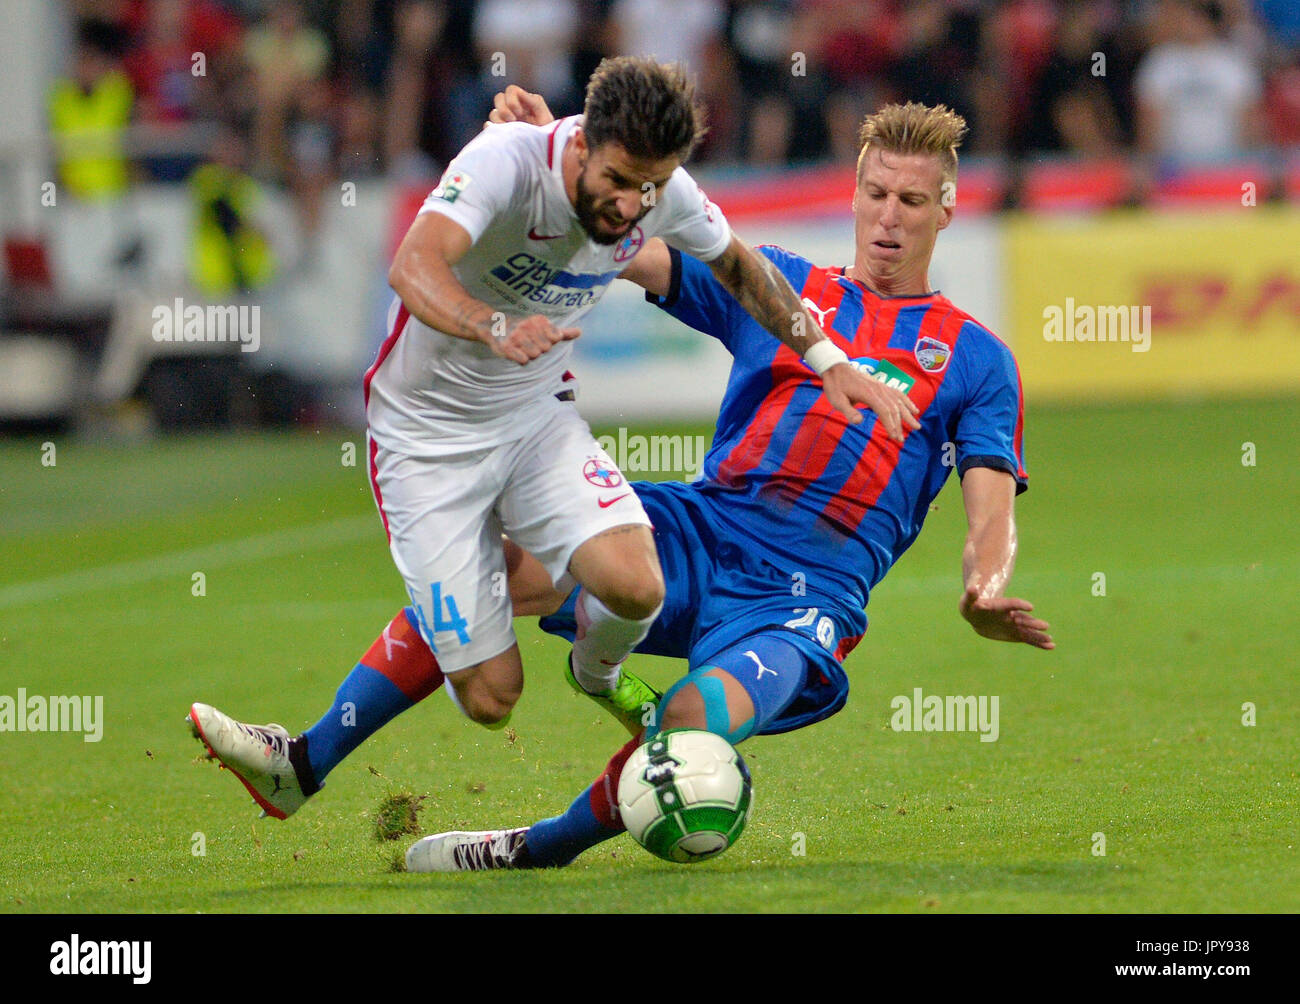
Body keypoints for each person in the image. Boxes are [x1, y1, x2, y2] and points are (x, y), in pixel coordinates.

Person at [187, 58, 918, 820]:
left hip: (536, 416)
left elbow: (741, 269)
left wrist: (829, 360)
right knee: (492, 698)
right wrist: (492, 324)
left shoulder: (656, 191)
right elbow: (414, 266)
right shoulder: (504, 162)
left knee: (636, 584)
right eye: (622, 180)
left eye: (652, 187)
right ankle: (296, 767)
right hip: (425, 436)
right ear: (581, 145)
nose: (635, 206)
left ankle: (598, 675)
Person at [403, 91, 1054, 872]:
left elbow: (989, 513)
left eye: (912, 200)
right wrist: (552, 164)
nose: (889, 217)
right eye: (876, 194)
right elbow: (625, 245)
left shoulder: (978, 358)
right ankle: (314, 751)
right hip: (699, 533)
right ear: (853, 195)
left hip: (804, 597)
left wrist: (983, 587)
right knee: (497, 566)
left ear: (945, 211)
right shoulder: (778, 286)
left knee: (688, 725)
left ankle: (534, 849)